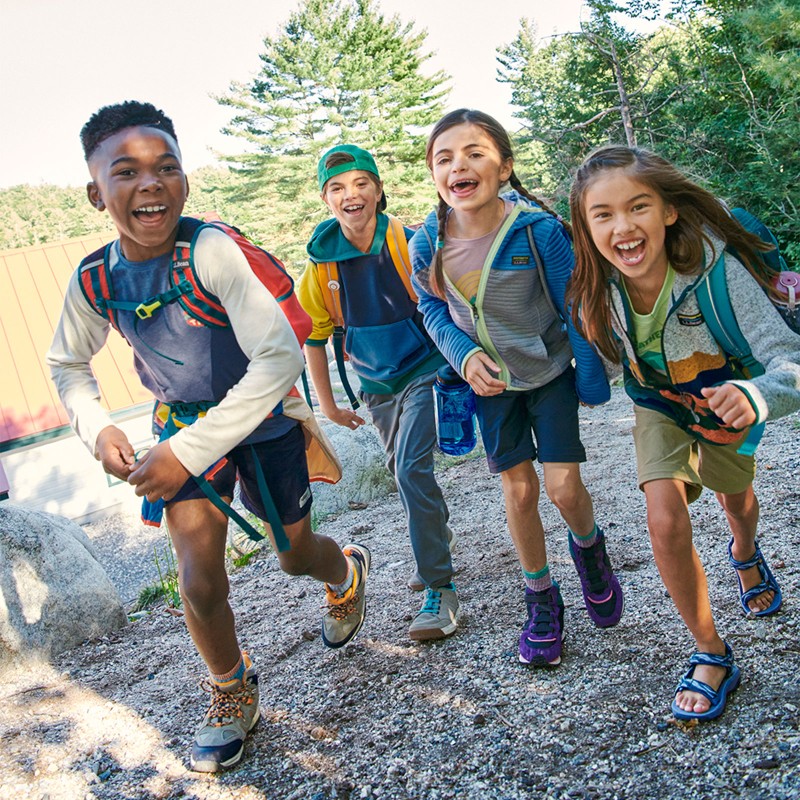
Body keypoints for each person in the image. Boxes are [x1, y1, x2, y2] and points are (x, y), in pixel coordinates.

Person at [46, 101, 370, 773]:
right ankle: (232, 690)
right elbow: (67, 363)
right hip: (181, 430)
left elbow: (278, 359)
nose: (152, 184)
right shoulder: (95, 279)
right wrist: (97, 426)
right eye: (126, 171)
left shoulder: (210, 249)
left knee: (293, 553)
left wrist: (183, 453)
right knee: (197, 580)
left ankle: (345, 574)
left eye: (167, 166)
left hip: (263, 420)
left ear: (184, 178)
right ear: (93, 191)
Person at [567, 144, 800, 720]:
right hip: (660, 405)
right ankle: (710, 651)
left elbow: (786, 359)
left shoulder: (718, 268)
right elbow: (614, 366)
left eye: (638, 207)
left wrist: (755, 396)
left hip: (730, 403)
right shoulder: (595, 288)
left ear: (668, 210)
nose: (623, 226)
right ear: (586, 226)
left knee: (735, 498)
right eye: (604, 214)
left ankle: (744, 553)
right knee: (663, 514)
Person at [409, 109, 623, 669]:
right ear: (434, 175)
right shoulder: (427, 243)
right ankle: (541, 600)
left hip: (549, 375)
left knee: (562, 489)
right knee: (519, 492)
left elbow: (574, 305)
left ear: (503, 167)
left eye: (475, 152)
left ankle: (590, 552)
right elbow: (432, 308)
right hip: (490, 385)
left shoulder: (539, 231)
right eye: (445, 157)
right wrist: (463, 354)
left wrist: (593, 378)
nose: (460, 165)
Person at [298, 144, 459, 642]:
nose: (352, 195)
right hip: (376, 385)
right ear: (327, 200)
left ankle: (441, 587)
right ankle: (438, 542)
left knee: (412, 469)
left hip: (426, 370)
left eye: (361, 184)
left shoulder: (407, 243)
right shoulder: (320, 267)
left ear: (378, 190)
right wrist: (326, 406)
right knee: (402, 471)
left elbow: (450, 304)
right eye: (338, 188)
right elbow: (314, 336)